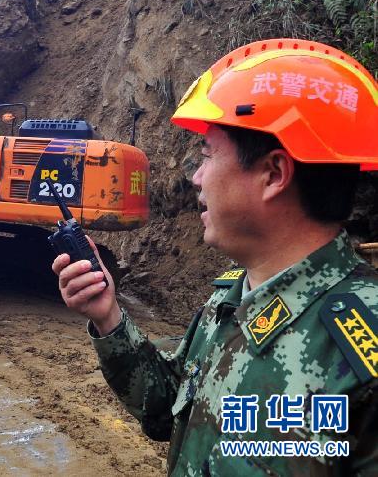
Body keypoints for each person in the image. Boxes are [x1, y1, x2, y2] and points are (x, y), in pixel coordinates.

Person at [52, 39, 378, 475]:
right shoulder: (233, 296)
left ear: (274, 174)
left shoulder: (362, 347)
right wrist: (109, 317)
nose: (196, 178)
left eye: (206, 157)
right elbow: (167, 407)